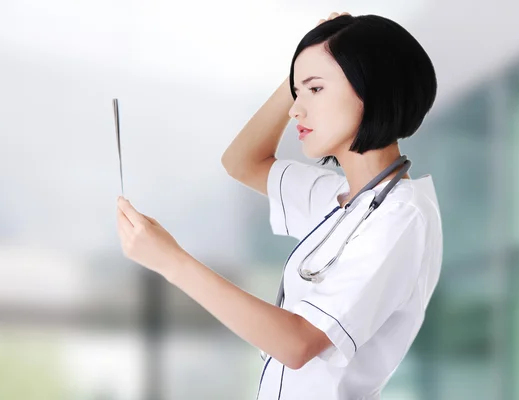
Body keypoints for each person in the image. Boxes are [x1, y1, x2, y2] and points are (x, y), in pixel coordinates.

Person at [116, 11, 442, 400]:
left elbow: (297, 344)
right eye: (296, 92)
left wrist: (171, 262)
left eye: (316, 90)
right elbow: (241, 162)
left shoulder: (401, 218)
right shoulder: (340, 199)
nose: (295, 110)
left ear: (371, 87)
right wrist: (309, 65)